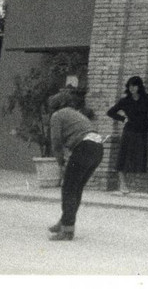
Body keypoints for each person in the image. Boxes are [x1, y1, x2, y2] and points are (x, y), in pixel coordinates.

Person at [47, 89, 104, 241]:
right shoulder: (75, 113)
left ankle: (67, 230)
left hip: (84, 147)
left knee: (68, 189)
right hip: (98, 147)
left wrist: (60, 162)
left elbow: (56, 142)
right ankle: (64, 221)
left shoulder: (57, 115)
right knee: (76, 188)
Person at [106, 76, 148, 194]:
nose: (132, 88)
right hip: (129, 131)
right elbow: (110, 112)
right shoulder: (125, 100)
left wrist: (147, 123)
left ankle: (137, 185)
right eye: (130, 86)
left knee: (139, 157)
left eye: (134, 86)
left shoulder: (146, 99)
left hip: (142, 132)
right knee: (123, 157)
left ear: (139, 86)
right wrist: (123, 119)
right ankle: (123, 184)